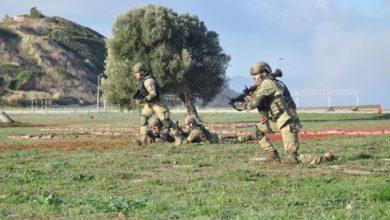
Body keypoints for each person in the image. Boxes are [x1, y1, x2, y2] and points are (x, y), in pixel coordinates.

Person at [245, 61, 335, 164]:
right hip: (279, 121)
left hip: (288, 122)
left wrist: (245, 102)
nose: (254, 78)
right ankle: (273, 156)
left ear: (263, 73)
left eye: (255, 75)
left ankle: (324, 158)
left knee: (292, 158)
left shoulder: (267, 83)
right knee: (256, 130)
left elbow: (254, 102)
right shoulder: (268, 84)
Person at [132, 62, 184, 147]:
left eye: (136, 72)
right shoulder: (141, 81)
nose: (135, 74)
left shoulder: (149, 81)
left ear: (141, 71)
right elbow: (144, 92)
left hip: (159, 103)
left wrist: (144, 99)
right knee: (143, 118)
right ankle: (144, 139)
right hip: (151, 104)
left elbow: (153, 94)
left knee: (166, 122)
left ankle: (178, 137)